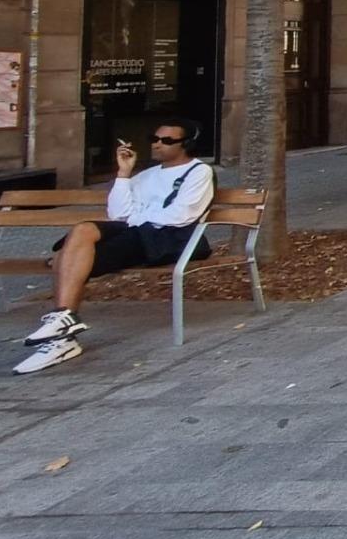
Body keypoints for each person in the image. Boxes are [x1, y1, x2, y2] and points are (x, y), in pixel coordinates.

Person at [15, 119, 215, 375]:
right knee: (83, 230)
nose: (156, 145)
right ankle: (63, 321)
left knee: (66, 260)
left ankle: (62, 336)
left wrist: (136, 218)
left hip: (165, 238)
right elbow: (119, 213)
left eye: (166, 141)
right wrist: (123, 174)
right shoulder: (145, 176)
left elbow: (181, 216)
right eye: (153, 139)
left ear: (186, 144)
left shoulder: (199, 172)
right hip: (136, 231)